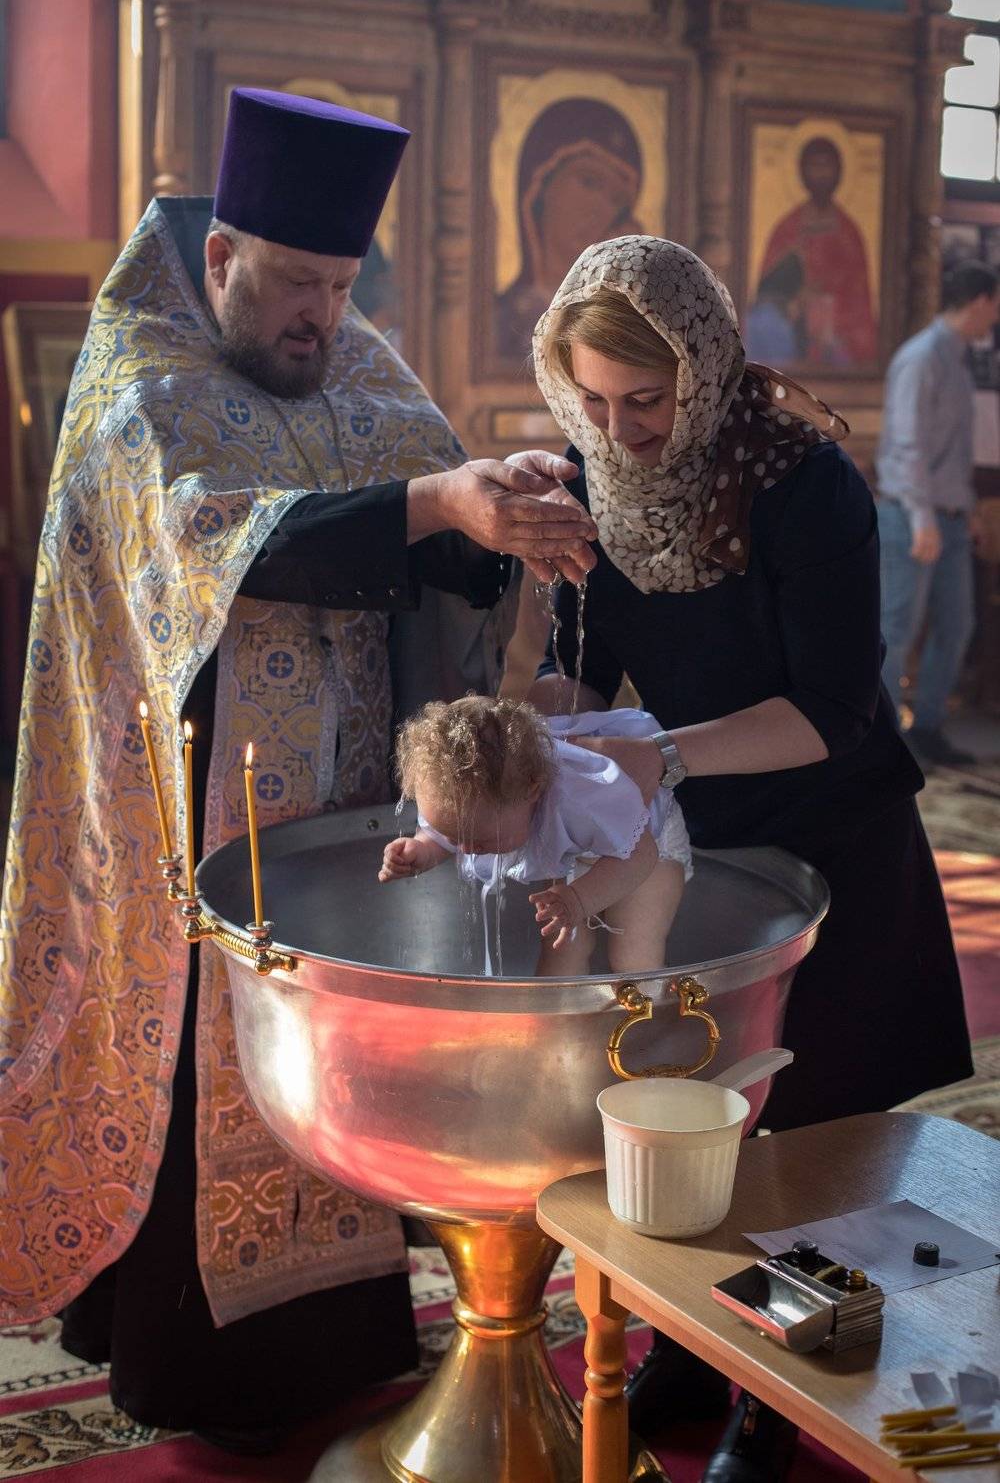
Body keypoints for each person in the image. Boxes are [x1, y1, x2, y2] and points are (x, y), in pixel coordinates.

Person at [0, 87, 597, 1452]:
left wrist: (493, 512)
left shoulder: (360, 369)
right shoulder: (143, 380)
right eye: (291, 285)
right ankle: (180, 1356)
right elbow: (212, 542)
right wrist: (433, 504)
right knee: (204, 1050)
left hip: (341, 787)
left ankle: (341, 1334)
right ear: (222, 260)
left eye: (337, 286)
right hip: (185, 800)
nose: (318, 317)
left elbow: (427, 519)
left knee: (339, 1034)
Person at [527, 235, 973, 1481]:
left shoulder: (802, 483)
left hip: (832, 844)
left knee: (813, 1142)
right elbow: (582, 665)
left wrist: (659, 756)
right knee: (693, 1121)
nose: (622, 435)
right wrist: (545, 735)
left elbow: (834, 710)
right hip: (701, 856)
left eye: (647, 402)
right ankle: (687, 1351)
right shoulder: (591, 480)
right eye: (594, 403)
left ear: (705, 366)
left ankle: (772, 1405)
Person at [379, 696, 690, 974]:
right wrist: (425, 848)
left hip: (645, 848)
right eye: (453, 836)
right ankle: (558, 1019)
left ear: (533, 791)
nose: (468, 850)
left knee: (634, 956)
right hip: (580, 846)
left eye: (481, 840)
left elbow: (640, 854)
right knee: (560, 954)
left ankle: (648, 1015)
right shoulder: (480, 802)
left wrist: (578, 900)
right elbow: (450, 829)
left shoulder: (581, 798)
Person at [876, 259, 1000, 769]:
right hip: (911, 517)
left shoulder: (957, 358)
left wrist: (965, 512)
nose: (995, 317)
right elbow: (906, 445)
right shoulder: (921, 357)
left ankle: (926, 728)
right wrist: (924, 518)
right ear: (981, 301)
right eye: (995, 306)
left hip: (948, 516)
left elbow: (950, 452)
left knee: (956, 625)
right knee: (897, 629)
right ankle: (883, 740)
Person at [494, 97, 643, 361]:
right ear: (540, 184)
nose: (600, 210)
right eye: (589, 182)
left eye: (616, 200)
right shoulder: (500, 319)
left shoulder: (617, 326)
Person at [758, 135, 877, 368]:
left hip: (839, 336)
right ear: (802, 172)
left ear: (839, 172)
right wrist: (798, 299)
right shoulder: (788, 228)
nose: (821, 174)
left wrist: (831, 314)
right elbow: (766, 293)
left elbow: (860, 301)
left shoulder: (849, 232)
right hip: (793, 336)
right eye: (814, 165)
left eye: (827, 166)